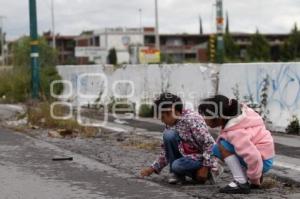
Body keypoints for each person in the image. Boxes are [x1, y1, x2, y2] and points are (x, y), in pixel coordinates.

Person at [198, 95, 275, 194]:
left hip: (262, 160)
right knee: (218, 147)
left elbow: (253, 156)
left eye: (207, 116)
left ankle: (240, 182)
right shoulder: (240, 117)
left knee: (222, 146)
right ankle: (245, 176)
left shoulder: (236, 132)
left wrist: (254, 179)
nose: (204, 119)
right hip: (265, 156)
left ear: (219, 117)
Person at [140, 93, 218, 184]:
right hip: (186, 158)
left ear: (172, 111)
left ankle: (209, 171)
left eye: (162, 117)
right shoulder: (171, 124)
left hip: (200, 157)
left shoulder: (193, 120)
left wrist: (205, 167)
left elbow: (210, 144)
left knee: (177, 165)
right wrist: (152, 169)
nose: (161, 120)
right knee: (168, 135)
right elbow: (166, 152)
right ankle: (178, 175)